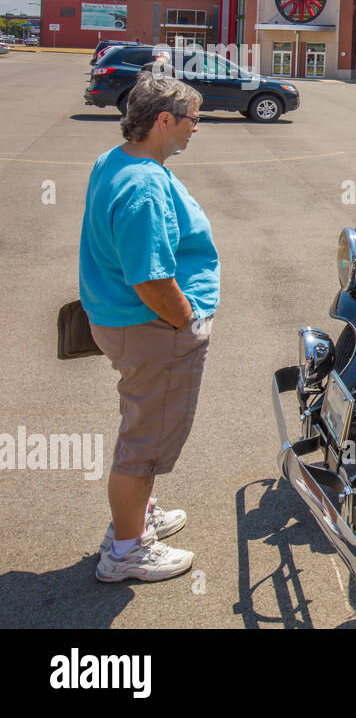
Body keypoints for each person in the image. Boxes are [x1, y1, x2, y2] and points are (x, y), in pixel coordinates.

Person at [79, 68, 219, 583]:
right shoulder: (144, 188)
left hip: (122, 322)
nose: (196, 128)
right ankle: (125, 550)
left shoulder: (114, 161)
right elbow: (151, 278)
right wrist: (187, 323)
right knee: (145, 441)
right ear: (164, 120)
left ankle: (137, 516)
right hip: (151, 328)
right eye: (192, 120)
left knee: (144, 424)